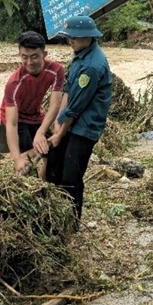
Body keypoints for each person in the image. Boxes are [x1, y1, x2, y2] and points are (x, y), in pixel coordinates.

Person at [34, 15, 112, 225]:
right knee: (53, 168)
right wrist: (59, 121)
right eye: (69, 38)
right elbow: (69, 90)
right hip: (70, 121)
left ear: (88, 37)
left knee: (70, 176)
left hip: (84, 128)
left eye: (74, 38)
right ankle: (53, 216)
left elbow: (77, 106)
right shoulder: (80, 55)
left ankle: (71, 222)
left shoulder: (92, 67)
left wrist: (59, 133)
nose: (71, 42)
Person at [0, 31, 65, 177]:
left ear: (44, 54)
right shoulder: (14, 82)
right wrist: (17, 159)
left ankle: (46, 184)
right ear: (19, 55)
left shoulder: (56, 70)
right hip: (17, 118)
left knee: (54, 149)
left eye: (34, 57)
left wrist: (41, 132)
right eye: (24, 57)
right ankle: (22, 178)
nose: (29, 63)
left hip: (36, 114)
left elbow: (55, 105)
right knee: (27, 158)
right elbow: (12, 124)